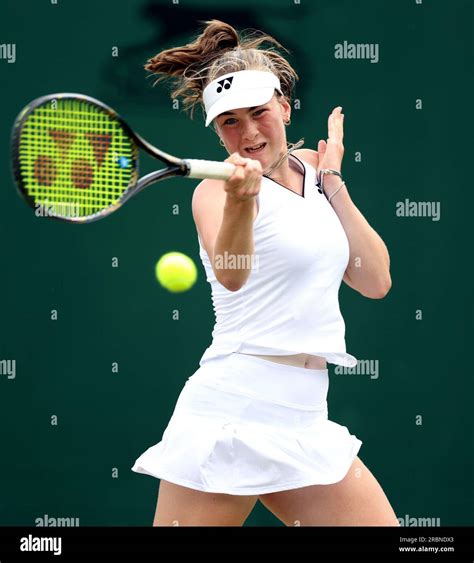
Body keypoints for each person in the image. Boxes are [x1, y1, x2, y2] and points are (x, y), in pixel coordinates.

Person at [132, 20, 398, 527]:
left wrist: (333, 179)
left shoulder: (316, 171)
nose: (249, 133)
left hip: (305, 417)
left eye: (258, 113)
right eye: (230, 122)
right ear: (216, 130)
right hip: (233, 410)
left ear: (284, 106)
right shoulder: (214, 192)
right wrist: (240, 203)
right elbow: (232, 275)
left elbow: (376, 281)